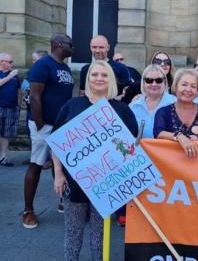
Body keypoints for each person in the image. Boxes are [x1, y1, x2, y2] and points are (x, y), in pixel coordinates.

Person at [52, 60, 138, 261]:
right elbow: (57, 143)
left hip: (106, 184)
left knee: (100, 235)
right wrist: (58, 174)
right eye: (95, 74)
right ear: (88, 78)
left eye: (104, 75)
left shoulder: (122, 110)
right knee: (73, 233)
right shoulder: (72, 106)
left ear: (111, 80)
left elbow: (132, 149)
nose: (99, 78)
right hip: (74, 182)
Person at [23, 33, 75, 229]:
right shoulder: (43, 65)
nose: (73, 48)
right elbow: (34, 96)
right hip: (44, 125)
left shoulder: (65, 68)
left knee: (60, 165)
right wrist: (39, 124)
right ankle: (28, 211)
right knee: (36, 165)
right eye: (70, 44)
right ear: (58, 44)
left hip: (61, 125)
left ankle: (63, 201)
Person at [153, 69, 198, 158]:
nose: (188, 89)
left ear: (197, 91)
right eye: (184, 84)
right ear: (175, 87)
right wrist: (180, 137)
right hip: (170, 167)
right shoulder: (163, 112)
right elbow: (158, 133)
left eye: (193, 86)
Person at [130, 64, 176, 139]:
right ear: (143, 82)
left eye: (158, 80)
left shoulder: (175, 103)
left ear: (164, 81)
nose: (154, 84)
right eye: (149, 80)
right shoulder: (133, 106)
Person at [0, 52, 20, 167]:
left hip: (11, 108)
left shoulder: (14, 76)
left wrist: (18, 104)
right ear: (2, 62)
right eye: (10, 61)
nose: (12, 63)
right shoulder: (11, 75)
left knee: (6, 134)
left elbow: (18, 90)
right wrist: (9, 77)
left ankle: (3, 157)